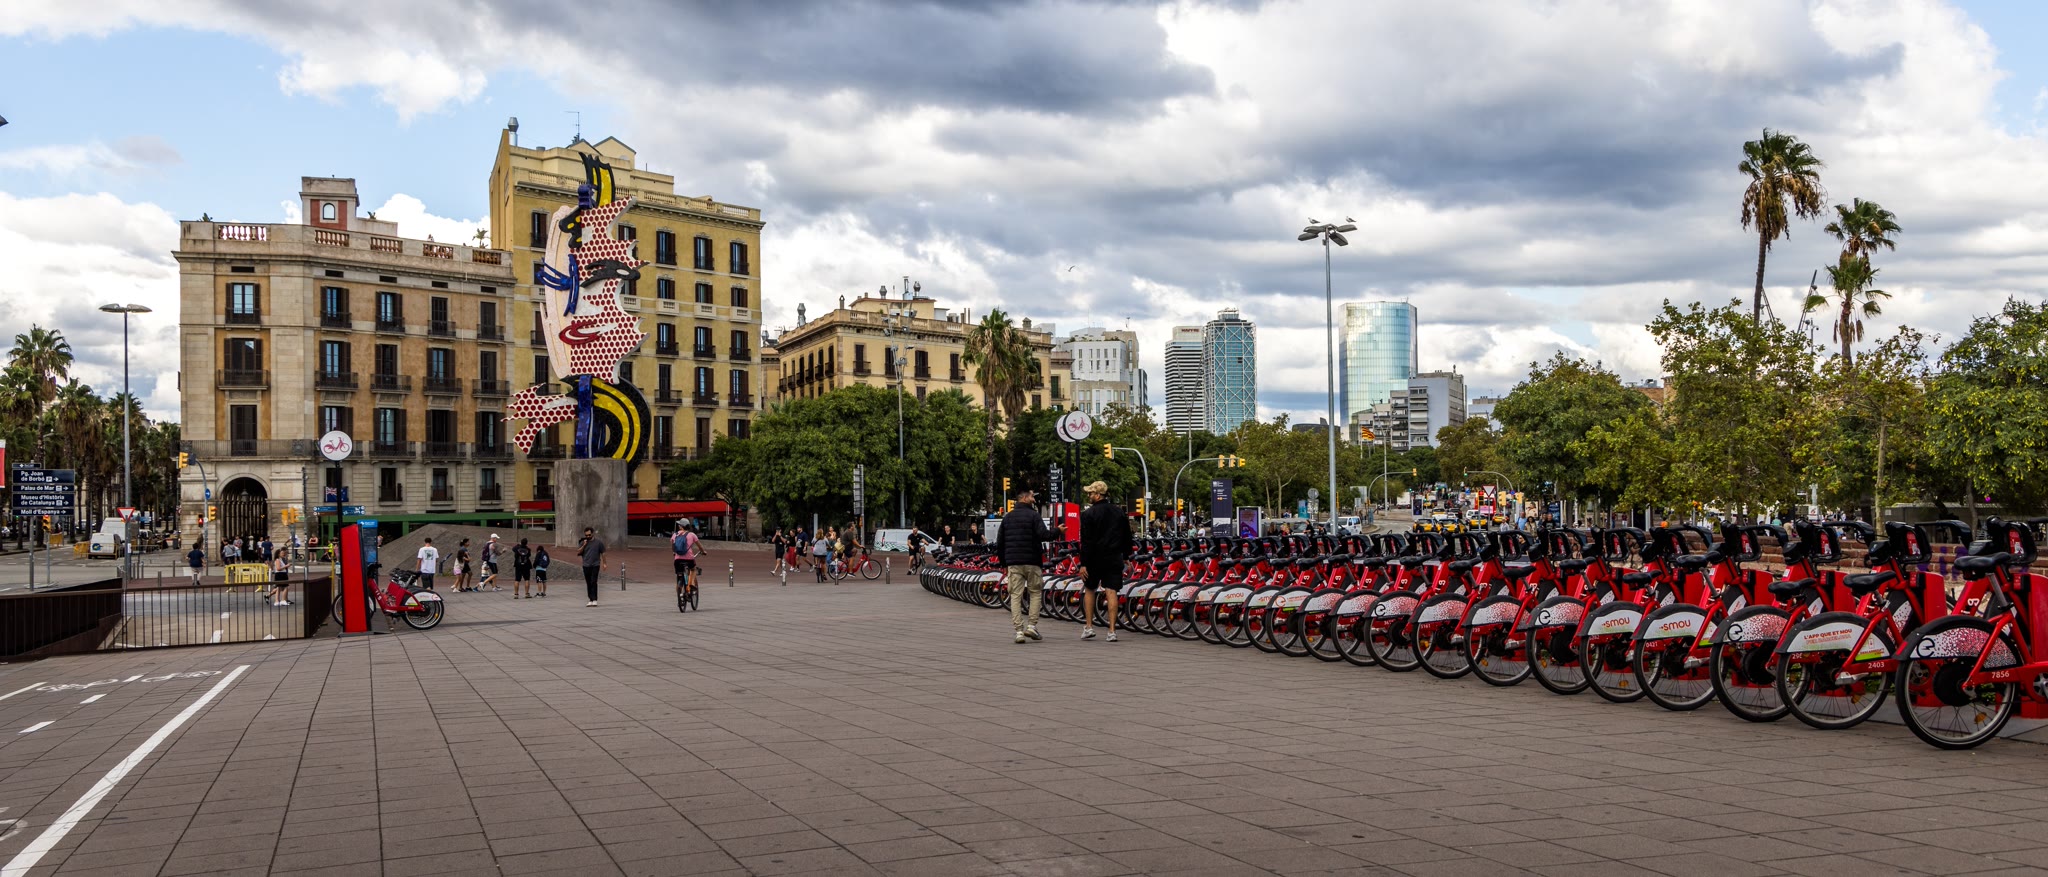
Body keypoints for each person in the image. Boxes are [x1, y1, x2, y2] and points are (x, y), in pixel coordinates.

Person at [996, 487, 1055, 643]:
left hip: (1013, 562)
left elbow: (1000, 542)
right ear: (1024, 498)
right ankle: (1032, 626)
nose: (1034, 499)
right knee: (1035, 592)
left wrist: (1004, 563)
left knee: (1015, 595)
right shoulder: (1034, 515)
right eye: (1031, 497)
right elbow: (1044, 535)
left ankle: (1018, 632)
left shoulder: (1007, 517)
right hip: (1033, 561)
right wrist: (1058, 531)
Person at [1077, 481, 1132, 642]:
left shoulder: (1088, 514)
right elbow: (1127, 536)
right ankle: (1112, 631)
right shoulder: (1119, 512)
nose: (1089, 496)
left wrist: (1083, 563)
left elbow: (1086, 541)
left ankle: (1089, 627)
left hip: (1094, 558)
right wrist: (1126, 556)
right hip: (1113, 557)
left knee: (1090, 589)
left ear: (1098, 495)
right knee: (1111, 591)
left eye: (1090, 493)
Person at [578, 527, 606, 606]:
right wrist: (584, 545)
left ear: (592, 533)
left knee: (594, 581)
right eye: (586, 535)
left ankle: (595, 599)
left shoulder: (598, 542)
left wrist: (604, 563)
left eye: (589, 535)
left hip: (595, 564)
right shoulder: (583, 542)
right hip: (586, 565)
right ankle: (590, 599)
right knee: (588, 582)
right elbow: (579, 551)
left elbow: (603, 553)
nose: (588, 536)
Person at [673, 523, 702, 594]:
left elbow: (673, 546)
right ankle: (691, 583)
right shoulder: (692, 535)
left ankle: (679, 596)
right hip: (689, 559)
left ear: (681, 527)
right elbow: (700, 546)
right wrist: (703, 551)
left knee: (679, 575)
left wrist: (674, 553)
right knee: (693, 569)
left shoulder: (675, 535)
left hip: (678, 559)